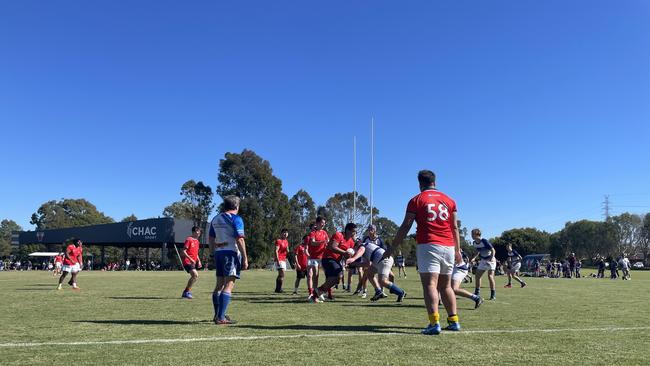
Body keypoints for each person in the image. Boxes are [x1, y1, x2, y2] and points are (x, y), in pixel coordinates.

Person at [386, 170, 462, 335]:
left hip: (429, 244)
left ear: (420, 183)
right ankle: (454, 320)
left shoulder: (416, 200)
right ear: (435, 181)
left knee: (430, 284)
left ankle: (434, 323)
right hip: (448, 245)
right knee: (446, 286)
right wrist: (458, 249)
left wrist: (392, 246)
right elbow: (454, 226)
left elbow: (406, 225)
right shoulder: (449, 200)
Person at [209, 195, 248, 325]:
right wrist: (245, 258)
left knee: (219, 285)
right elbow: (240, 238)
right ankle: (221, 317)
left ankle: (217, 314)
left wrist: (211, 253)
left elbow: (210, 238)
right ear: (236, 206)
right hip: (231, 253)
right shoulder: (236, 218)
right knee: (229, 285)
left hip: (219, 253)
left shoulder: (215, 218)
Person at [347, 225, 406, 303]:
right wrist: (354, 264)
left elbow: (361, 250)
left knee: (382, 281)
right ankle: (378, 292)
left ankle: (401, 292)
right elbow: (367, 264)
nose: (355, 250)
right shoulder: (365, 248)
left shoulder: (362, 245)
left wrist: (353, 259)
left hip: (383, 259)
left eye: (355, 247)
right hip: (379, 260)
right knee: (369, 273)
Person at [314, 223, 357, 301]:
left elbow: (346, 254)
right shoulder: (338, 235)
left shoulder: (351, 242)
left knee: (335, 279)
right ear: (347, 230)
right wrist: (344, 253)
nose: (354, 234)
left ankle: (317, 294)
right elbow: (332, 247)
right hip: (328, 259)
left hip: (336, 261)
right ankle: (319, 291)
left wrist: (348, 257)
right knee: (339, 275)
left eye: (355, 232)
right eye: (353, 231)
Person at [307, 218, 329, 302]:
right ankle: (314, 294)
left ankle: (321, 292)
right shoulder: (313, 233)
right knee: (315, 276)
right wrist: (322, 242)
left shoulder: (324, 233)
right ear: (317, 223)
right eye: (321, 223)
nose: (323, 224)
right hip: (314, 258)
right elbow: (312, 242)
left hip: (323, 257)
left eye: (324, 223)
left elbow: (328, 242)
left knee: (328, 275)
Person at [470, 229, 496, 300]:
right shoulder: (474, 243)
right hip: (483, 260)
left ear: (476, 234)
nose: (471, 236)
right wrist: (474, 258)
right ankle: (477, 293)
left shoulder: (484, 241)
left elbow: (493, 250)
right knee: (477, 276)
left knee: (490, 276)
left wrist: (490, 259)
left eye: (472, 234)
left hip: (491, 260)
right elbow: (477, 252)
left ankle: (493, 295)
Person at [180, 226, 203, 299]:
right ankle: (186, 292)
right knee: (195, 275)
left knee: (195, 276)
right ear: (193, 232)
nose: (199, 233)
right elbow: (183, 251)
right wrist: (190, 258)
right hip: (187, 261)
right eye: (197, 231)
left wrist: (198, 261)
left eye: (199, 231)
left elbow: (196, 253)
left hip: (192, 262)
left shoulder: (197, 241)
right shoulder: (189, 239)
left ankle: (186, 292)